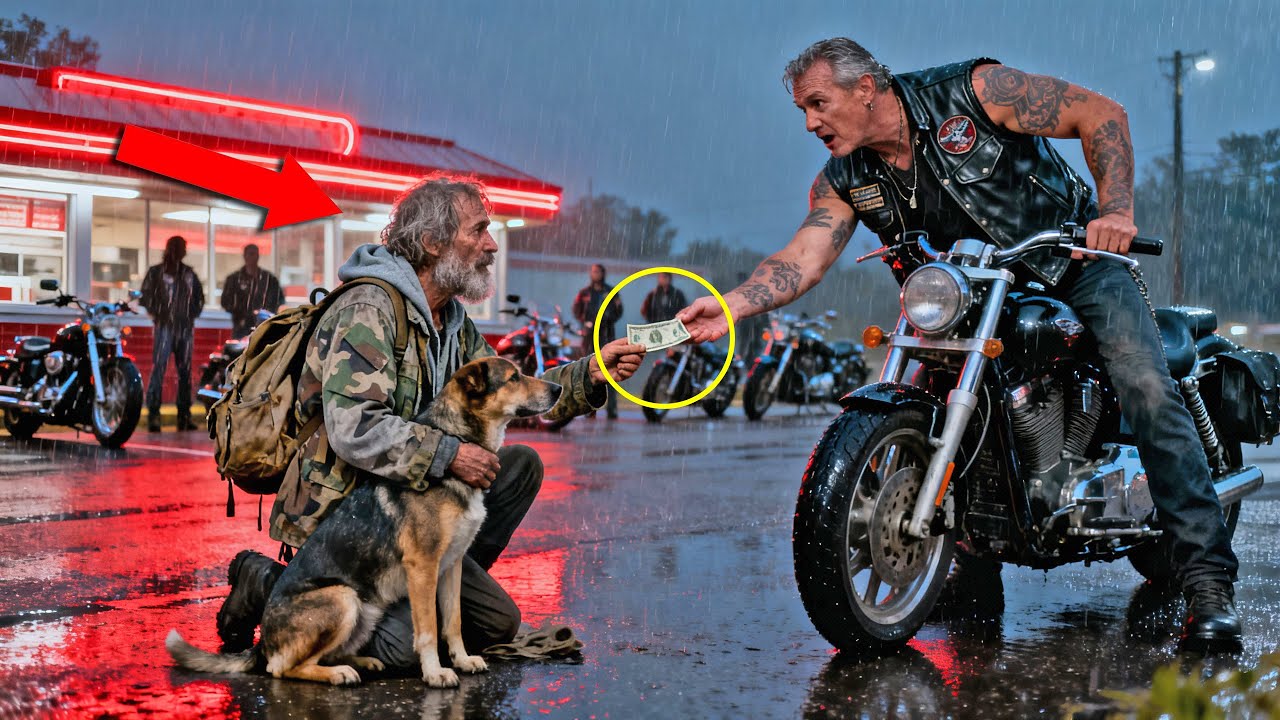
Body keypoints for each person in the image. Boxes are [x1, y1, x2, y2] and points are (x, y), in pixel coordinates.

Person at [678, 38, 1241, 649]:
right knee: (945, 397)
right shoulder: (843, 178)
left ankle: (1209, 585)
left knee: (1146, 387)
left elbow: (1100, 113)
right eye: (802, 111)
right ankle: (972, 575)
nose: (811, 122)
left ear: (866, 88)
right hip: (966, 295)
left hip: (1073, 262)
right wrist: (730, 306)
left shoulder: (973, 93)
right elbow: (803, 257)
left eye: (818, 103)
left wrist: (1117, 213)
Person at [214, 177, 646, 666]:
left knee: (519, 466)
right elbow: (355, 428)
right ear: (433, 242)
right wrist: (451, 454)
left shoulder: (450, 319)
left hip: (413, 508)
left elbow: (511, 391)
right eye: (479, 231)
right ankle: (271, 585)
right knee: (403, 653)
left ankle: (425, 583)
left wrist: (590, 372)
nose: (491, 245)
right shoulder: (369, 308)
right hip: (346, 527)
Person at [140, 235, 204, 433]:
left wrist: (187, 316)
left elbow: (198, 300)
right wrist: (162, 315)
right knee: (165, 371)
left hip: (179, 327)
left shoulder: (183, 273)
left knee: (180, 372)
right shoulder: (159, 272)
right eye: (182, 247)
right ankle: (161, 416)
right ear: (175, 249)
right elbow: (147, 298)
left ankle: (176, 416)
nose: (185, 251)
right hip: (168, 327)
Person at [572, 264, 623, 419]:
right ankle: (590, 409)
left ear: (603, 273)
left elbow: (619, 311)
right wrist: (585, 321)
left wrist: (606, 319)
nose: (595, 274)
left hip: (607, 337)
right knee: (589, 372)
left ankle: (612, 409)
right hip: (589, 339)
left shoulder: (611, 291)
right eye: (593, 272)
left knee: (611, 372)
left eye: (597, 272)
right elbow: (576, 309)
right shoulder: (585, 293)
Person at [220, 243, 285, 338]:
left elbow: (280, 300)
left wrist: (265, 312)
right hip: (241, 326)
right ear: (244, 256)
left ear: (258, 256)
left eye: (255, 254)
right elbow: (225, 301)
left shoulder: (269, 280)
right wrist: (242, 312)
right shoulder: (234, 279)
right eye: (250, 254)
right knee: (240, 351)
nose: (253, 257)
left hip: (265, 326)